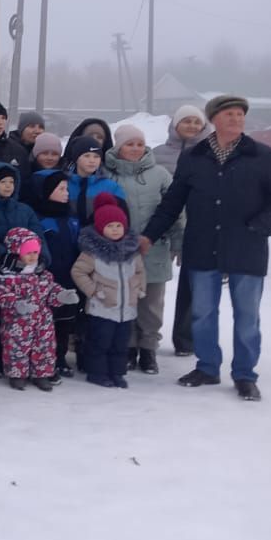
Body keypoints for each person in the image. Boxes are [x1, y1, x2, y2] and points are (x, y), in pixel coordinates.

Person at [141, 95, 271, 401]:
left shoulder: (262, 156)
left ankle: (245, 374)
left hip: (246, 249)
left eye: (240, 115)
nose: (236, 119)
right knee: (202, 313)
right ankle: (208, 367)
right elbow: (173, 201)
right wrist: (149, 235)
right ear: (214, 120)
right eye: (229, 114)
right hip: (202, 246)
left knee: (247, 316)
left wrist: (258, 229)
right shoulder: (195, 157)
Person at [105, 124, 180, 375]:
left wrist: (178, 242)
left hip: (154, 249)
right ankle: (128, 347)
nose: (135, 149)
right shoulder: (106, 174)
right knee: (124, 299)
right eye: (129, 144)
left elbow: (175, 210)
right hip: (118, 251)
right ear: (118, 147)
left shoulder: (159, 174)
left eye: (139, 144)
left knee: (151, 303)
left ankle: (148, 349)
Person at [151, 104, 211, 357]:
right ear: (175, 125)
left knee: (194, 285)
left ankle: (186, 340)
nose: (192, 126)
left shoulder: (213, 154)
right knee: (155, 285)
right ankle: (144, 338)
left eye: (197, 122)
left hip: (200, 226)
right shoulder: (157, 154)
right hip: (163, 224)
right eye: (186, 121)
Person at [0, 162, 48, 377]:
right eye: (3, 182)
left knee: (25, 318)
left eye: (12, 182)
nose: (8, 186)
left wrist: (42, 259)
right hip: (0, 272)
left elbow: (38, 236)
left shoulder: (24, 210)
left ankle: (27, 359)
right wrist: (8, 257)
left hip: (28, 273)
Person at [73, 196, 146, 389]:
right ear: (100, 228)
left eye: (118, 226)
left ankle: (117, 372)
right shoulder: (93, 252)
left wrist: (138, 288)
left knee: (120, 343)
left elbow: (140, 271)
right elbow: (78, 272)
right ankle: (97, 373)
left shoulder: (132, 251)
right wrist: (94, 291)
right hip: (102, 308)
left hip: (126, 309)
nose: (115, 230)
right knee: (100, 342)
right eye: (110, 226)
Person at [0, 229, 76, 391]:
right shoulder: (7, 276)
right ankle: (18, 374)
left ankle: (42, 374)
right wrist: (17, 304)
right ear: (16, 251)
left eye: (35, 252)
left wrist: (61, 295)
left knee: (45, 347)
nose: (33, 257)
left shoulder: (43, 274)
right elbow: (1, 295)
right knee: (17, 348)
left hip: (43, 320)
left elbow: (51, 291)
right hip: (17, 321)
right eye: (28, 253)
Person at [29, 170, 82, 379]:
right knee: (45, 322)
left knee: (65, 321)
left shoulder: (71, 218)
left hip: (70, 277)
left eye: (67, 188)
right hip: (47, 279)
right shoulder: (39, 219)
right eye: (61, 189)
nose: (66, 193)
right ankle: (42, 358)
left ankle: (59, 357)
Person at [66, 136, 126, 226]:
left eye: (96, 156)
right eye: (87, 156)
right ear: (76, 159)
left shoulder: (111, 187)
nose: (92, 161)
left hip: (98, 238)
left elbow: (121, 218)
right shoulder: (64, 185)